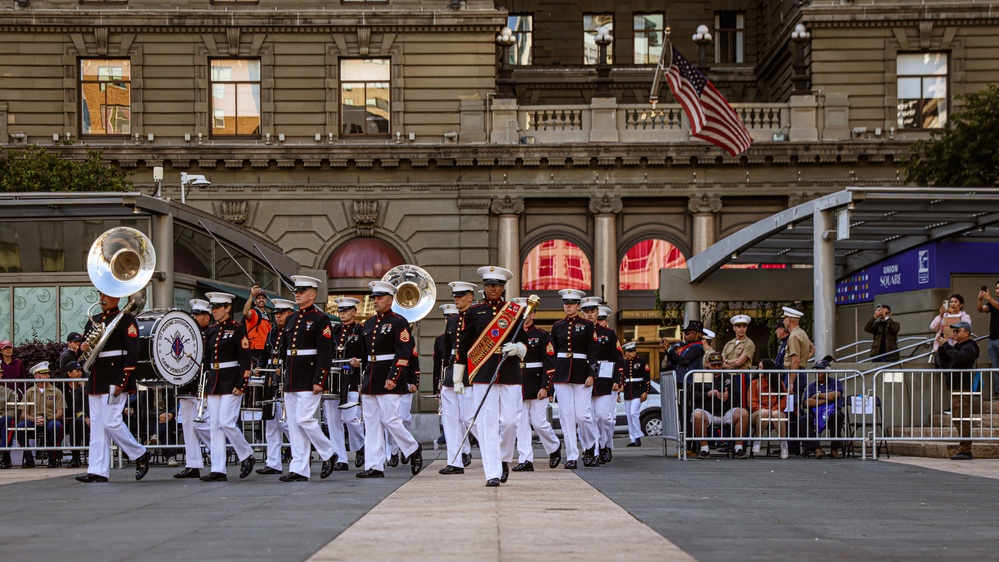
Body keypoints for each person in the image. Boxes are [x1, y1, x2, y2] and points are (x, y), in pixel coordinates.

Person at [453, 266, 522, 487]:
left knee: (511, 422)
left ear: (503, 288)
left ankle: (503, 458)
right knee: (487, 423)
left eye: (497, 285)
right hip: (483, 373)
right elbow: (463, 345)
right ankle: (491, 471)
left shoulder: (515, 311)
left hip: (510, 371)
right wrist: (458, 376)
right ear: (484, 287)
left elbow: (526, 340)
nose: (493, 288)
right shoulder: (474, 312)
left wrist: (519, 348)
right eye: (489, 285)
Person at [76, 291, 150, 483]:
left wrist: (122, 380)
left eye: (106, 295)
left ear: (117, 298)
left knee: (112, 422)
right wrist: (81, 348)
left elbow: (133, 351)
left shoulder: (125, 320)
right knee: (98, 426)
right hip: (97, 378)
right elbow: (82, 353)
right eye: (100, 294)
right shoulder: (95, 320)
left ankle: (139, 453)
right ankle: (97, 470)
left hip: (115, 378)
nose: (102, 298)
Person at [356, 280, 423, 479]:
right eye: (374, 298)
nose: (376, 301)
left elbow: (403, 353)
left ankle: (412, 449)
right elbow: (365, 355)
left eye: (380, 298)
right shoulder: (368, 324)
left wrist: (394, 376)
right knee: (372, 423)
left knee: (391, 419)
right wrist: (363, 379)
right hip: (371, 378)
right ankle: (374, 465)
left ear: (390, 300)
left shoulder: (399, 322)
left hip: (389, 377)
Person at [281, 275, 337, 482]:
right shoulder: (292, 318)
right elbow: (285, 350)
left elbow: (325, 353)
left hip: (309, 376)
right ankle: (299, 468)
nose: (297, 294)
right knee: (294, 425)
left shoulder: (320, 319)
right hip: (292, 376)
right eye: (296, 291)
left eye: (302, 291)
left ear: (312, 295)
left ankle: (329, 452)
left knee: (304, 419)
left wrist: (319, 379)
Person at [199, 292, 256, 482]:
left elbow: (245, 359)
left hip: (232, 381)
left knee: (226, 422)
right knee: (214, 425)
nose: (214, 311)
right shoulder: (212, 330)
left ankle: (246, 454)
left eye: (218, 308)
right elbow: (207, 360)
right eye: (213, 308)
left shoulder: (238, 329)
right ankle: (218, 468)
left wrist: (242, 383)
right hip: (215, 381)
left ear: (228, 308)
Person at [549, 288, 597, 470]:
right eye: (565, 303)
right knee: (566, 416)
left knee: (583, 416)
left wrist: (592, 374)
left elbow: (593, 352)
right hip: (561, 374)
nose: (567, 306)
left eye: (571, 303)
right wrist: (551, 382)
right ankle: (571, 455)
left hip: (581, 373)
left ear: (578, 305)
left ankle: (590, 445)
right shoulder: (557, 326)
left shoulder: (586, 325)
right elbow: (552, 354)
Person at [511, 297, 561, 472]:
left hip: (537, 383)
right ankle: (525, 459)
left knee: (539, 422)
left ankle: (554, 447)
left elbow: (550, 363)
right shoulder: (512, 335)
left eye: (528, 312)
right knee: (521, 424)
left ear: (533, 313)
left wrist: (546, 386)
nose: (525, 315)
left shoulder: (542, 335)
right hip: (518, 383)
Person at [438, 283, 476, 475]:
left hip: (471, 370)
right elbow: (447, 349)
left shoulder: (478, 315)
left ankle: (494, 456)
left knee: (470, 418)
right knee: (450, 418)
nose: (456, 299)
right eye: (455, 296)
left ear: (470, 296)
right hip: (453, 371)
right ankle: (455, 461)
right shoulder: (453, 320)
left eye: (460, 296)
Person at [323, 296, 364, 472]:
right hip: (334, 379)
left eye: (346, 310)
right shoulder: (334, 330)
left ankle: (360, 446)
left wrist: (359, 361)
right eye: (340, 311)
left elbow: (367, 353)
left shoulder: (360, 331)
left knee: (351, 418)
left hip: (352, 379)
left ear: (354, 312)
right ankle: (340, 458)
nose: (342, 313)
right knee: (332, 421)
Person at [173, 298, 213, 479]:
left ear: (207, 317)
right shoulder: (186, 333)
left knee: (204, 425)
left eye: (198, 315)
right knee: (188, 426)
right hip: (187, 384)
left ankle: (219, 452)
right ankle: (193, 463)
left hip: (202, 384)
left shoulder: (212, 334)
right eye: (194, 314)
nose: (195, 318)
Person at [255, 298, 295, 476]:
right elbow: (265, 354)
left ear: (290, 313)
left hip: (286, 378)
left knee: (287, 422)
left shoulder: (292, 332)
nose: (278, 317)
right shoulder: (272, 333)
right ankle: (273, 462)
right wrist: (259, 366)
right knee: (270, 422)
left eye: (281, 313)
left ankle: (301, 453)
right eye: (276, 314)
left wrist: (284, 367)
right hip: (271, 378)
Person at [691, 352, 750, 459]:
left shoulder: (728, 376)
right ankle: (704, 448)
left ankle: (738, 447)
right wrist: (707, 394)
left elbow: (737, 397)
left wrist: (728, 397)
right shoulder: (701, 375)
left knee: (743, 413)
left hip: (726, 411)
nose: (717, 367)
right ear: (708, 364)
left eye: (719, 365)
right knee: (697, 415)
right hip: (707, 411)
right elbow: (691, 394)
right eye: (714, 365)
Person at [936, 321, 980, 460]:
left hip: (963, 387)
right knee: (958, 418)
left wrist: (947, 346)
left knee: (962, 418)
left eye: (957, 331)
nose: (954, 333)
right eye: (953, 331)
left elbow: (959, 358)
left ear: (966, 333)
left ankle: (966, 449)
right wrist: (942, 347)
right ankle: (964, 447)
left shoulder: (969, 347)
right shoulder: (958, 346)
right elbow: (945, 360)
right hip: (956, 387)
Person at [14, 362, 65, 468]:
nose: (48, 376)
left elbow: (60, 413)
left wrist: (47, 418)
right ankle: (29, 459)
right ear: (36, 376)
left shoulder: (56, 391)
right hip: (33, 420)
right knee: (20, 427)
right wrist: (34, 419)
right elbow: (24, 414)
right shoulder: (29, 392)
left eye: (48, 374)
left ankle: (52, 458)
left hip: (50, 419)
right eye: (44, 374)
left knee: (57, 426)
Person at [592, 305, 624, 464]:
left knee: (606, 418)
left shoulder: (609, 334)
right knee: (590, 418)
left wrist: (618, 381)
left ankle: (605, 444)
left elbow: (618, 359)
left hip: (606, 377)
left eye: (603, 319)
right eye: (599, 319)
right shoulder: (586, 331)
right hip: (588, 377)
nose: (601, 322)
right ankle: (595, 449)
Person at [799, 360, 845, 459]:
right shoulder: (811, 386)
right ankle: (816, 448)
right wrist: (828, 399)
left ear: (828, 372)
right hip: (815, 412)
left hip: (831, 411)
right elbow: (806, 402)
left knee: (837, 415)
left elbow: (836, 395)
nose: (817, 372)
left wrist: (818, 396)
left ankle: (834, 449)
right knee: (803, 419)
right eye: (816, 369)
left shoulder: (836, 383)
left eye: (820, 369)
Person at [750, 358, 789, 459]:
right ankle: (758, 439)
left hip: (775, 411)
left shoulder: (779, 383)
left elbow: (783, 402)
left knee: (776, 414)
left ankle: (784, 444)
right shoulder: (754, 382)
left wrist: (772, 410)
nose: (759, 370)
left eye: (761, 368)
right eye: (758, 367)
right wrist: (766, 410)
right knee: (764, 412)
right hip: (758, 413)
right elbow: (752, 403)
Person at [621, 341, 650, 447]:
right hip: (628, 390)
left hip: (638, 390)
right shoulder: (623, 362)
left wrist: (645, 391)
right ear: (626, 352)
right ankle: (633, 438)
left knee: (634, 413)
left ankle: (638, 435)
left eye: (634, 350)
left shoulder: (641, 361)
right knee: (629, 415)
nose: (633, 352)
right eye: (630, 351)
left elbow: (646, 377)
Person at [782, 307, 814, 396]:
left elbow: (795, 360)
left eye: (785, 318)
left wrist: (791, 382)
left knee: (791, 406)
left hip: (793, 373)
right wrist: (803, 359)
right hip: (799, 371)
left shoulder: (794, 336)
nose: (783, 321)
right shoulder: (802, 333)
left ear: (789, 320)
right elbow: (812, 349)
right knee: (796, 403)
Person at [62, 361, 88, 468]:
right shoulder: (61, 387)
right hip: (67, 419)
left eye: (81, 371)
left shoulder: (85, 387)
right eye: (77, 371)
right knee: (74, 424)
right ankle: (75, 457)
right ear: (69, 373)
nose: (80, 373)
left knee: (76, 423)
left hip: (85, 419)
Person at [242, 284, 272, 369]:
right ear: (255, 301)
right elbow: (245, 312)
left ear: (265, 301)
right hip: (254, 349)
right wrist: (251, 296)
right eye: (258, 298)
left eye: (263, 298)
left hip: (264, 350)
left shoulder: (267, 316)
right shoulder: (253, 312)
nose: (261, 300)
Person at [977, 282, 999, 393]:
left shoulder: (994, 302)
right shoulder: (992, 303)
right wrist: (980, 300)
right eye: (996, 288)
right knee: (995, 367)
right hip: (992, 339)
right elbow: (981, 309)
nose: (998, 290)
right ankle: (998, 391)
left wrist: (988, 297)